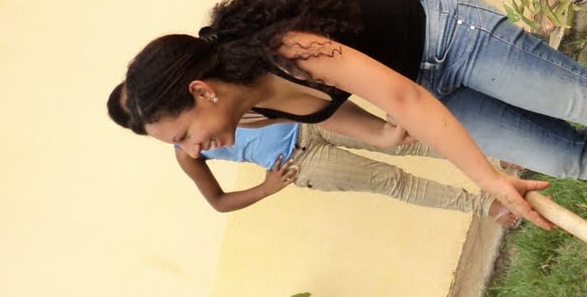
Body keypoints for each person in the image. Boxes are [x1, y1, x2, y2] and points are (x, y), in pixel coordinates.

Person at [115, 0, 587, 258]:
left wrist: (490, 179)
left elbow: (410, 102)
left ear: (201, 91)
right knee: (572, 157)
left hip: (453, 38)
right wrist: (481, 176)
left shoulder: (288, 52)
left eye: (183, 136)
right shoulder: (260, 113)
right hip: (424, 88)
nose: (196, 152)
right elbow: (391, 128)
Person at [108, 83, 523, 226]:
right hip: (299, 163)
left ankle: (494, 164)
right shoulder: (188, 152)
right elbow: (217, 202)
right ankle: (483, 204)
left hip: (310, 119)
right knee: (393, 181)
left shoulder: (205, 93)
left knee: (407, 137)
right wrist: (266, 189)